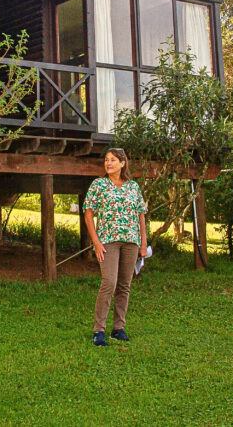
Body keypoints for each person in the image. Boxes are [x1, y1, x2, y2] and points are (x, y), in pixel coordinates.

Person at [83, 148, 148, 345]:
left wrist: (143, 243)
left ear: (122, 163)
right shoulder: (98, 185)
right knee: (109, 282)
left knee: (124, 285)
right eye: (106, 160)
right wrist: (96, 242)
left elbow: (141, 215)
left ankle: (118, 328)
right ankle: (98, 331)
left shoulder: (133, 187)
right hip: (108, 241)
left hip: (131, 240)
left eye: (113, 160)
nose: (108, 163)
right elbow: (88, 213)